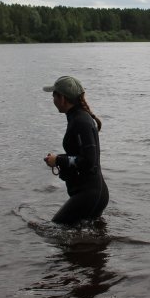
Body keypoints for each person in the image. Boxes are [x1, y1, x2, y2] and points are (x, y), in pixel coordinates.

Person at [42, 75, 109, 224]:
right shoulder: (77, 118)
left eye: (54, 96)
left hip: (89, 195)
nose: (53, 100)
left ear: (63, 98)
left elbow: (88, 161)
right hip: (92, 193)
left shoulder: (81, 121)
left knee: (55, 229)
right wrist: (58, 158)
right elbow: (81, 155)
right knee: (86, 240)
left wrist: (58, 160)